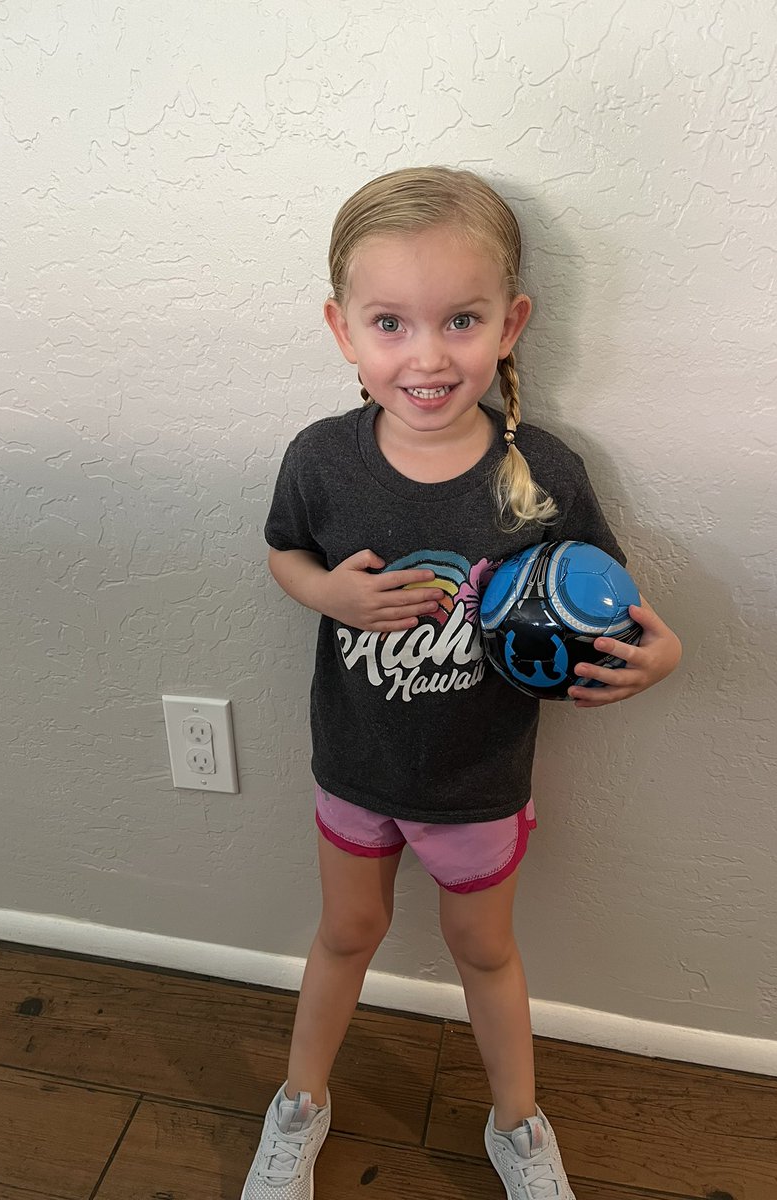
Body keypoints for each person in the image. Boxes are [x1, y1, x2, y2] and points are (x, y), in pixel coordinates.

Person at [241, 166, 681, 1200]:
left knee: (485, 951)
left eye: (461, 320)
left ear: (510, 322)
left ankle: (518, 1124)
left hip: (481, 781)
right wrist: (326, 596)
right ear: (342, 330)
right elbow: (282, 553)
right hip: (354, 767)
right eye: (390, 322)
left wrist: (664, 658)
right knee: (345, 932)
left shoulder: (550, 475)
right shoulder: (320, 460)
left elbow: (622, 613)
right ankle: (298, 1103)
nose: (428, 357)